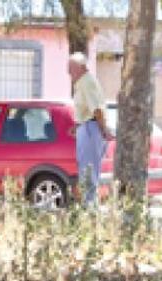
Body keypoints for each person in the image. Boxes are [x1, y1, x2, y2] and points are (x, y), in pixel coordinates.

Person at [68, 52, 113, 204]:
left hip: (91, 129)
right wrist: (77, 126)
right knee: (86, 172)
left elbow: (97, 109)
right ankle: (88, 207)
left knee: (89, 172)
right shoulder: (82, 83)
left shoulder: (87, 82)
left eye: (71, 68)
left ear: (81, 67)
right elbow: (85, 108)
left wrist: (103, 129)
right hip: (87, 127)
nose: (69, 72)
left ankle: (89, 210)